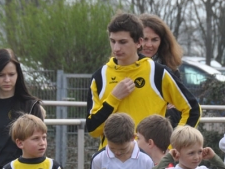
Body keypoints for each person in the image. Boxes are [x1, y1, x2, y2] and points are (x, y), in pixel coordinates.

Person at [86, 13, 200, 149]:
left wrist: (172, 148)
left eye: (123, 42)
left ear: (139, 42)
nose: (116, 48)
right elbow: (93, 130)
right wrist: (113, 99)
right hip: (112, 163)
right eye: (113, 41)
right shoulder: (100, 77)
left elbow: (192, 109)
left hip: (151, 164)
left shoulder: (158, 72)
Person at [140, 13, 184, 127]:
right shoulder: (123, 67)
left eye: (154, 40)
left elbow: (180, 110)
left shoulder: (171, 70)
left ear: (162, 42)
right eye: (145, 39)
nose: (149, 45)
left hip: (162, 134)